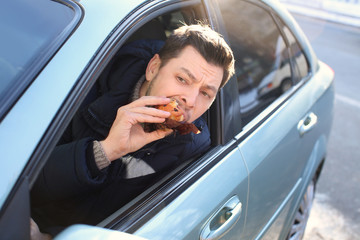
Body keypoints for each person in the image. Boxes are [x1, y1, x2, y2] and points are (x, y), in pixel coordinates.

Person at [30, 23, 235, 237]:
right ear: (153, 68)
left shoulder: (191, 147)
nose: (190, 101)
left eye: (205, 93)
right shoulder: (87, 83)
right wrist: (106, 150)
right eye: (182, 79)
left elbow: (144, 225)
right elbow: (25, 181)